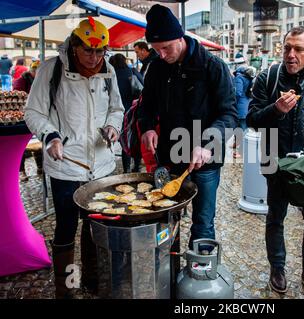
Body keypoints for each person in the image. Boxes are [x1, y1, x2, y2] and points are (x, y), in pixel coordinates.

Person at [24, 18, 124, 298]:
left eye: (100, 51)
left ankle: (92, 279)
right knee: (66, 228)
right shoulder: (51, 70)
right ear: (74, 46)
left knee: (97, 226)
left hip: (102, 167)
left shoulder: (109, 71)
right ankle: (66, 287)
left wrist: (114, 126)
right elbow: (33, 112)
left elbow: (117, 107)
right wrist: (51, 136)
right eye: (88, 51)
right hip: (67, 167)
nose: (94, 58)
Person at [246, 26, 304, 298]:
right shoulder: (268, 77)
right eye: (287, 47)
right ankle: (277, 267)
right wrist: (276, 109)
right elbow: (251, 119)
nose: (291, 54)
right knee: (275, 217)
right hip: (275, 161)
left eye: (299, 49)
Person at [137, 5, 237, 249]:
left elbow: (230, 115)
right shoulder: (157, 68)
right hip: (170, 157)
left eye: (166, 48)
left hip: (206, 163)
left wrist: (206, 144)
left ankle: (198, 276)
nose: (161, 54)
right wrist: (148, 126)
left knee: (202, 221)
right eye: (156, 49)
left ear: (180, 38)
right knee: (166, 215)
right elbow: (146, 105)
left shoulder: (213, 66)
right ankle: (168, 271)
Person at [109, 53, 143, 173]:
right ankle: (137, 166)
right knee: (134, 139)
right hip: (133, 111)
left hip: (117, 113)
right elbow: (143, 85)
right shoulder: (132, 71)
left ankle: (126, 169)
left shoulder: (110, 75)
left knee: (123, 142)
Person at [232, 65, 256, 158]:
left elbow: (237, 93)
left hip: (240, 107)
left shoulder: (239, 77)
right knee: (239, 127)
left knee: (242, 128)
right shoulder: (248, 78)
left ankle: (242, 151)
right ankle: (236, 144)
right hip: (246, 104)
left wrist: (232, 103)